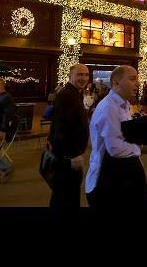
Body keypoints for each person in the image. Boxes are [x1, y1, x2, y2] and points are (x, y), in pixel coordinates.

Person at [86, 65, 147, 209]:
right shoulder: (109, 107)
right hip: (111, 180)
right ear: (116, 83)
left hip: (124, 174)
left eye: (137, 79)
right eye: (133, 79)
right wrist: (136, 146)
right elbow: (116, 149)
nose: (138, 83)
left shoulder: (124, 105)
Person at [47, 64, 90, 208]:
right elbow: (62, 128)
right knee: (66, 197)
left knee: (64, 195)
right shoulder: (67, 95)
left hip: (68, 156)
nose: (83, 78)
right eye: (79, 75)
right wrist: (71, 156)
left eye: (86, 75)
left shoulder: (74, 94)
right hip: (68, 158)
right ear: (70, 76)